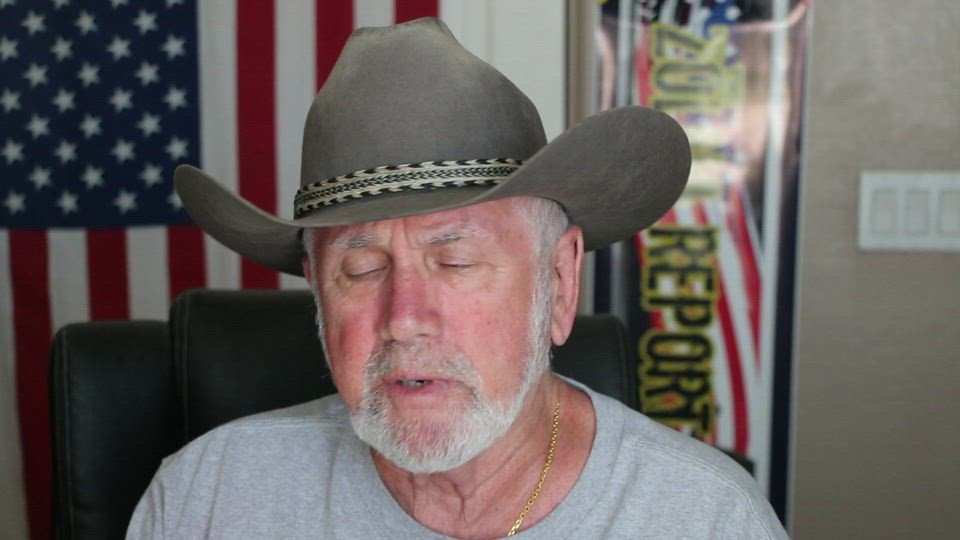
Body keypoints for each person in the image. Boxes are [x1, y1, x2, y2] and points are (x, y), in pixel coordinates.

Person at [127, 17, 788, 540]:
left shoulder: (704, 517)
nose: (404, 317)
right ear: (318, 292)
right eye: (361, 267)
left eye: (456, 261)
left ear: (559, 282)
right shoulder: (204, 499)